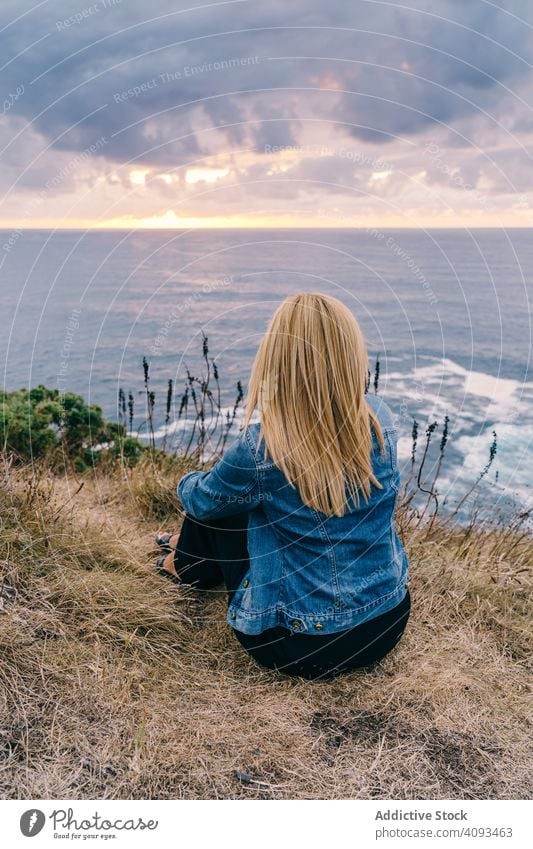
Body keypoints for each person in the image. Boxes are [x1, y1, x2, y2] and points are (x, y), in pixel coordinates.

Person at [155, 292, 410, 680]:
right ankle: (186, 553)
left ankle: (186, 564)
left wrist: (189, 479)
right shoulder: (380, 417)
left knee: (224, 502)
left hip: (301, 644)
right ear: (351, 355)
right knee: (252, 497)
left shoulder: (262, 448)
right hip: (387, 621)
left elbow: (202, 502)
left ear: (278, 359)